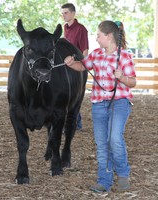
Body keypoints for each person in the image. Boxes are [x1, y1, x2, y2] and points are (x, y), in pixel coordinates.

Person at [64, 20, 136, 193]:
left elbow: (133, 81)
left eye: (98, 35)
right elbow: (82, 66)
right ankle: (104, 181)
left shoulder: (124, 56)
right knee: (101, 144)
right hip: (98, 104)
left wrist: (122, 78)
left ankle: (123, 173)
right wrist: (71, 63)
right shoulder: (96, 54)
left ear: (109, 36)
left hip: (119, 102)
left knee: (115, 139)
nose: (96, 39)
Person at [61, 3, 89, 130]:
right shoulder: (65, 28)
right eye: (62, 13)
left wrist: (82, 69)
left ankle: (76, 123)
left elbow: (85, 50)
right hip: (67, 64)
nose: (63, 15)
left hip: (78, 66)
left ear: (73, 13)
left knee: (76, 95)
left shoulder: (81, 29)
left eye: (66, 13)